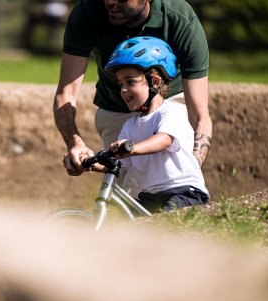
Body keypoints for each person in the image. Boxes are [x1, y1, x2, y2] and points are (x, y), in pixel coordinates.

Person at [53, 0, 212, 180]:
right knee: (126, 187)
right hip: (114, 108)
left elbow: (199, 115)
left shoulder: (179, 18)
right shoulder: (87, 12)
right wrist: (77, 147)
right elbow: (66, 94)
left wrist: (191, 168)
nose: (110, 1)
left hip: (168, 100)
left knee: (170, 182)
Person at [92, 36, 209, 212]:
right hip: (150, 196)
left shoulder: (171, 111)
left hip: (183, 192)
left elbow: (164, 140)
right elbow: (121, 163)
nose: (123, 89)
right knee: (131, 224)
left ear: (154, 81)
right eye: (121, 83)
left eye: (130, 81)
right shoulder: (129, 125)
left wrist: (131, 148)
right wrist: (93, 163)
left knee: (165, 224)